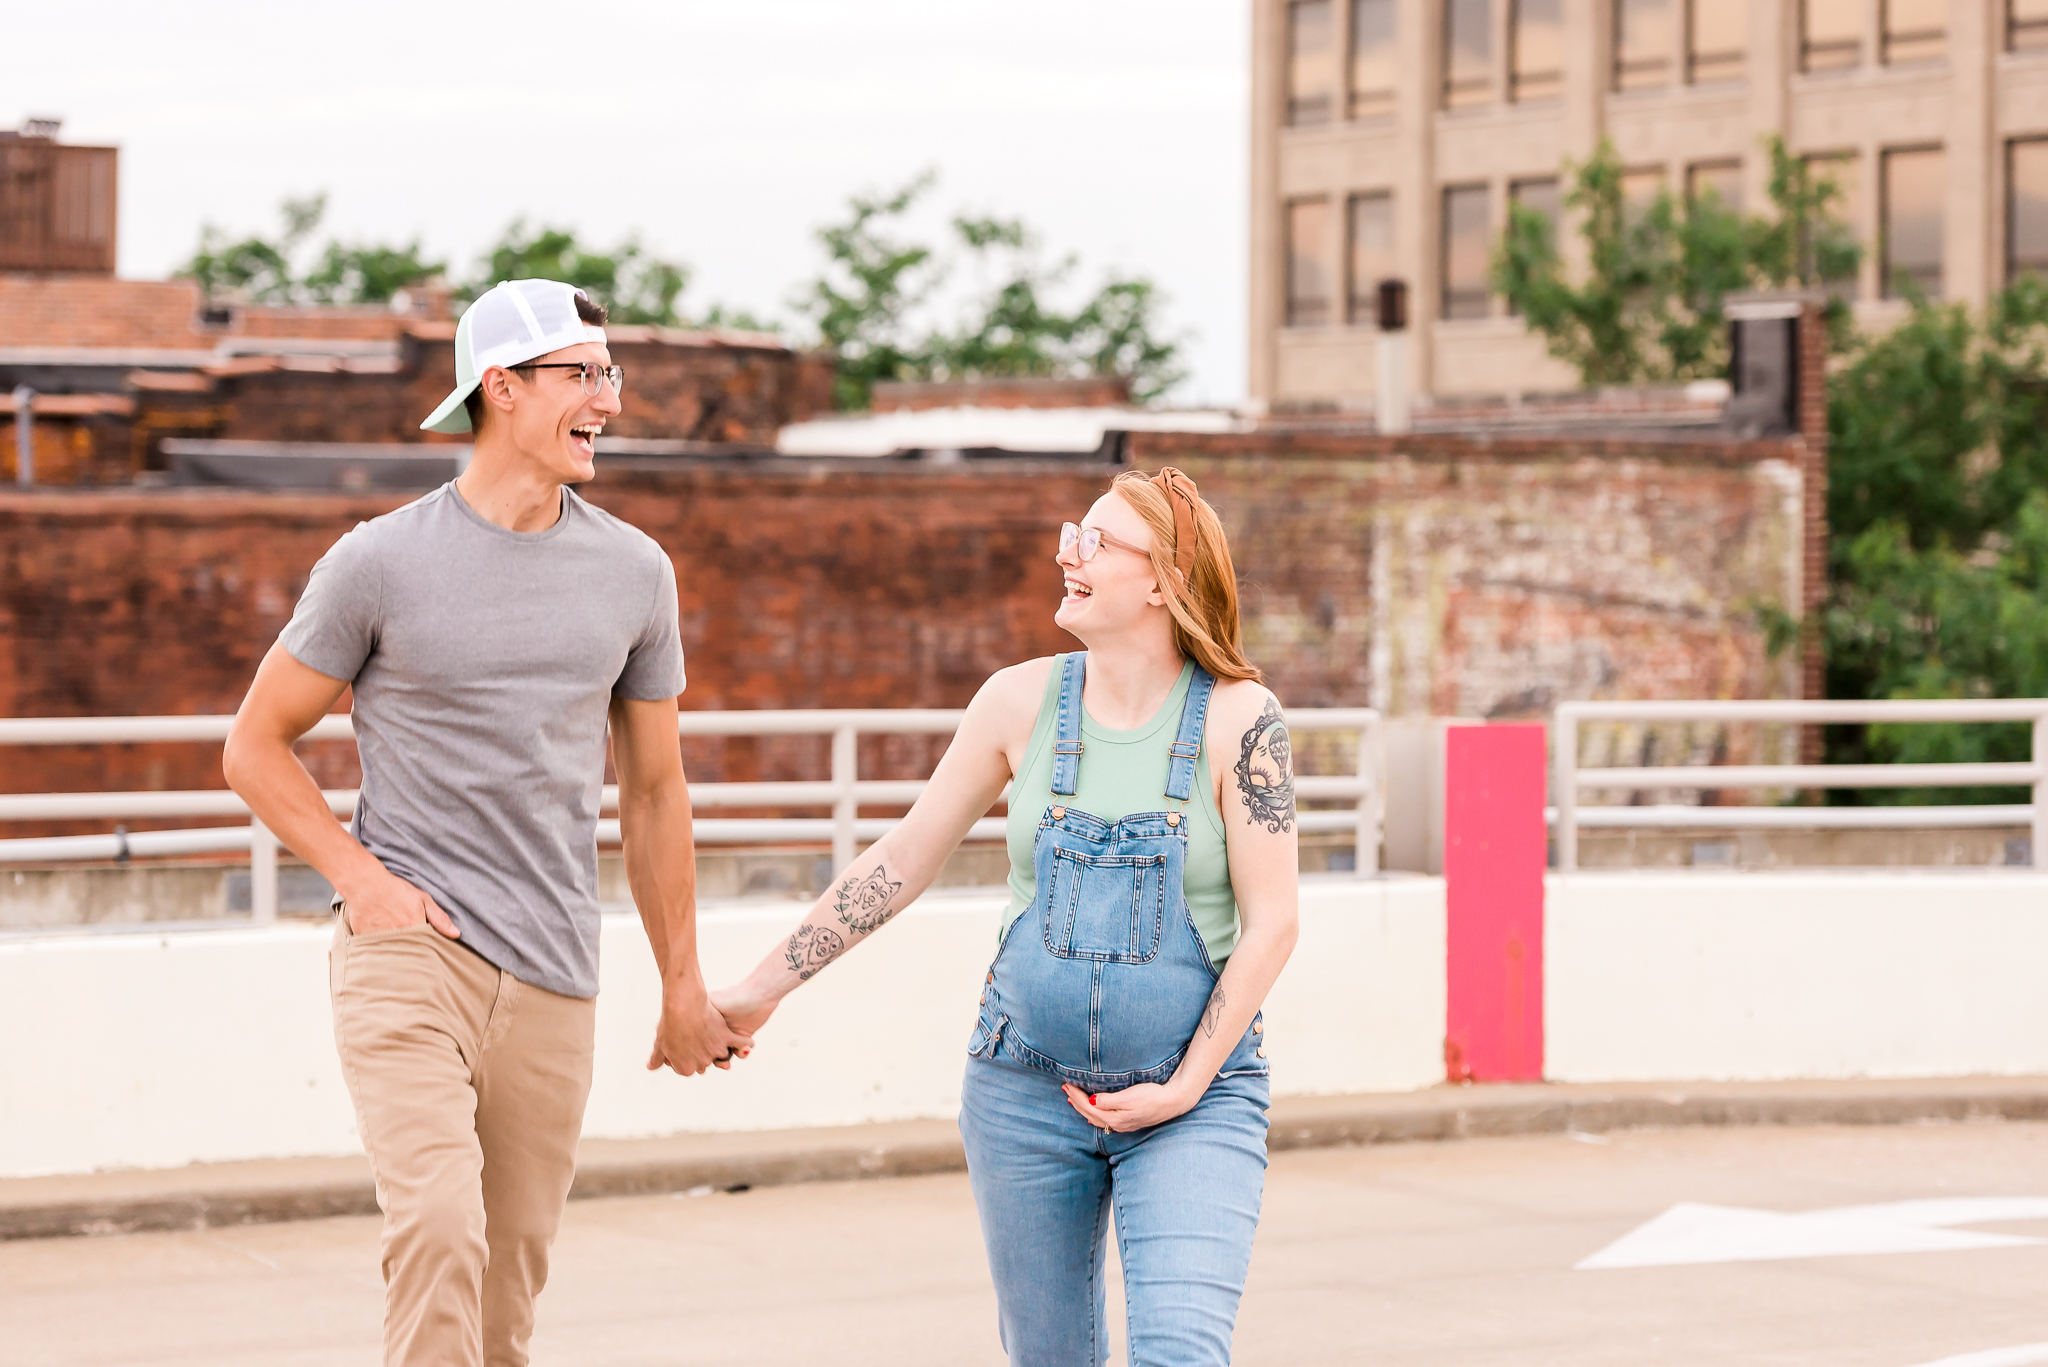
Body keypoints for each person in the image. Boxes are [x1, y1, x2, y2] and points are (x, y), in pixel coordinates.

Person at [223, 278, 750, 1367]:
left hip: (555, 964)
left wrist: (682, 983)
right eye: (583, 373)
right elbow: (253, 744)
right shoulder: (378, 560)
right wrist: (360, 880)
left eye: (610, 372)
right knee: (437, 1229)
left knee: (506, 1287)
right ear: (500, 389)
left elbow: (654, 791)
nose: (609, 396)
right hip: (411, 953)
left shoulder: (634, 573)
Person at [714, 466, 1300, 1366]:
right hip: (1023, 1092)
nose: (1070, 551)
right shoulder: (1018, 702)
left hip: (1195, 1102)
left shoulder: (1239, 720)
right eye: (1077, 531)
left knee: (1182, 1350)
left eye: (1099, 540)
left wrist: (1182, 1085)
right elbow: (901, 861)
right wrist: (760, 990)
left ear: (1163, 580)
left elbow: (1273, 924)